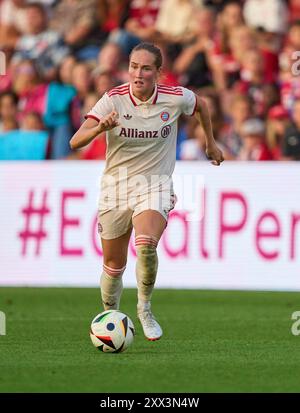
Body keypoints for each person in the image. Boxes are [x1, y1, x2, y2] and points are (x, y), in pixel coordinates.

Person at [69, 42, 224, 341]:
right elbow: (76, 142)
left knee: (146, 244)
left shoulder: (175, 98)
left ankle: (144, 308)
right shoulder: (112, 100)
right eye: (133, 67)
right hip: (116, 186)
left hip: (155, 184)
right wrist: (100, 128)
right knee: (114, 265)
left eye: (146, 68)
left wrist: (210, 143)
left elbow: (202, 105)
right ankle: (110, 313)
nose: (138, 74)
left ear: (157, 72)